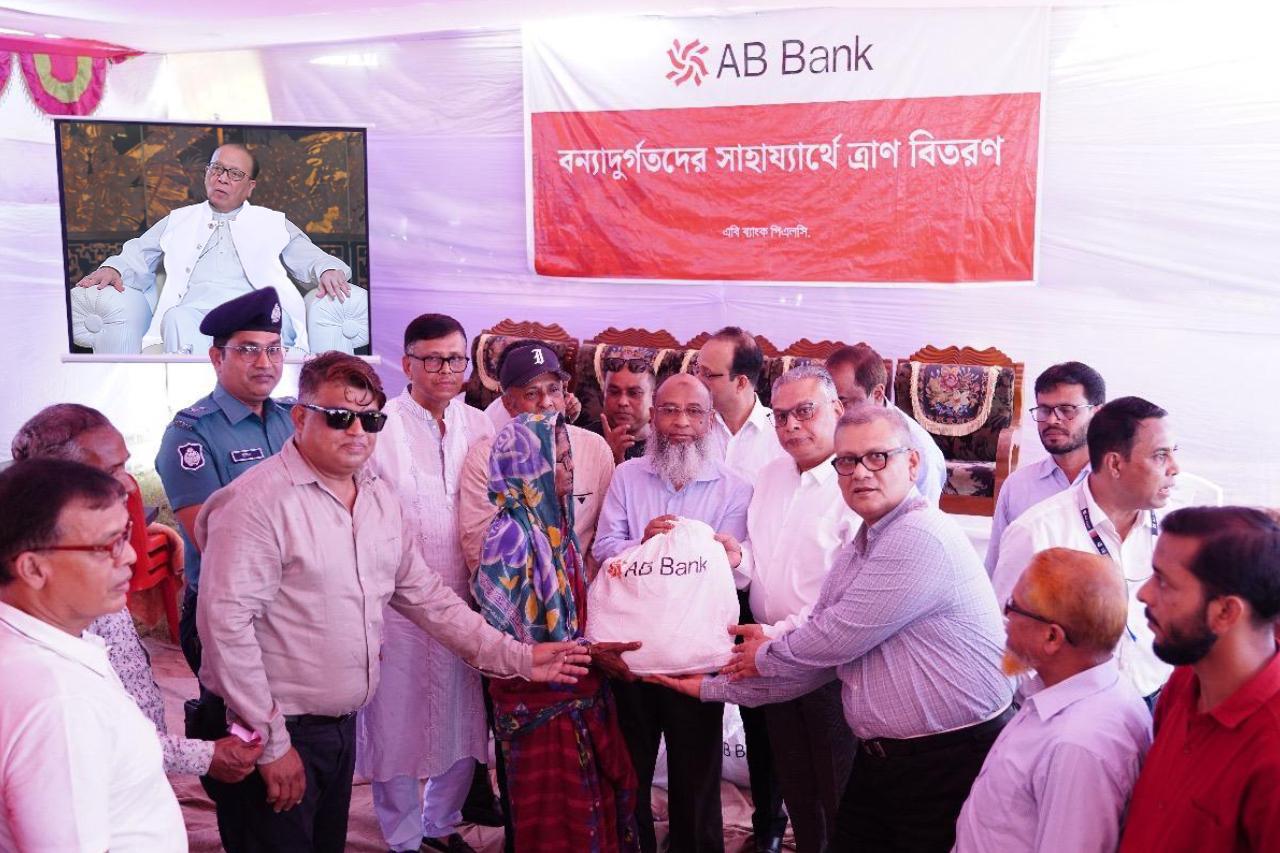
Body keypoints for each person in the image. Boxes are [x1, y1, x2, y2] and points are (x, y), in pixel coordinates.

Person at [194, 351, 592, 853]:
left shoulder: (377, 498)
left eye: (370, 419)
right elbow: (225, 628)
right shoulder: (256, 503)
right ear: (300, 417)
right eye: (338, 417)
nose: (356, 431)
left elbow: (429, 599)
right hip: (271, 729)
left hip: (339, 728)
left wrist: (519, 658)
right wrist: (273, 744)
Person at [652, 403, 1014, 853]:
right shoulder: (866, 541)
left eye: (877, 457)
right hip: (886, 758)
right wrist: (711, 688)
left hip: (948, 758)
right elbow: (820, 657)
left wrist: (762, 653)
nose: (860, 473)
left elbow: (832, 640)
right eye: (847, 461)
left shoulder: (918, 536)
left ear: (912, 463)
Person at [10, 403, 261, 782]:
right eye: (112, 470)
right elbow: (91, 738)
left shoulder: (88, 569)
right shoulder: (54, 601)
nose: (129, 483)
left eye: (125, 464)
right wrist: (204, 757)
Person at [355, 313, 497, 853]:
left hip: (465, 601)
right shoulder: (379, 427)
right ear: (407, 363)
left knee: (463, 717)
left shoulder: (479, 425)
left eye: (455, 359)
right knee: (395, 720)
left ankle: (441, 822)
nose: (445, 370)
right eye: (432, 359)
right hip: (397, 605)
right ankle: (403, 836)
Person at [594, 373, 752, 853]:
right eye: (669, 410)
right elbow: (604, 549)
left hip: (695, 657)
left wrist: (694, 551)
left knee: (696, 774)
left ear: (710, 420)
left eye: (694, 412)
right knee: (630, 770)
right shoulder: (627, 476)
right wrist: (642, 543)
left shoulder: (734, 487)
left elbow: (729, 572)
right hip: (633, 652)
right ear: (653, 415)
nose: (681, 422)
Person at [474, 411, 641, 852]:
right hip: (539, 705)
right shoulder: (510, 537)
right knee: (556, 822)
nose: (570, 468)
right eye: (559, 459)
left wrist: (588, 650)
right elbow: (504, 642)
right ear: (531, 466)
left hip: (576, 690)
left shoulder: (555, 526)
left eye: (569, 458)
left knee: (588, 812)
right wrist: (588, 652)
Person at [0, 458, 187, 852]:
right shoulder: (61, 703)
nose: (131, 556)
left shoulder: (37, 643)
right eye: (108, 545)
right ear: (33, 569)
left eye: (127, 534)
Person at [953, 548, 1151, 852]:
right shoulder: (1061, 694)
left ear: (1052, 637)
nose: (1005, 619)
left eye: (1013, 607)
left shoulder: (1078, 746)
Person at [734, 364, 856, 853]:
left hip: (828, 665)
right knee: (797, 788)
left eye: (805, 412)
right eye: (781, 416)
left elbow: (845, 598)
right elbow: (761, 562)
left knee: (838, 794)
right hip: (773, 656)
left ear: (837, 410)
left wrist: (776, 635)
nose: (791, 426)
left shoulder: (855, 485)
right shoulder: (770, 476)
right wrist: (736, 557)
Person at [76, 143, 357, 353]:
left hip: (257, 311)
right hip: (196, 311)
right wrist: (114, 268)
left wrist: (327, 269)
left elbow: (309, 256)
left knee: (265, 328)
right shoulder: (179, 219)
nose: (222, 178)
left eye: (234, 173)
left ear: (250, 186)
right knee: (175, 318)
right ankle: (189, 403)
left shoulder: (272, 222)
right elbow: (138, 253)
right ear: (206, 173)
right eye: (217, 169)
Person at [993, 396, 1180, 703]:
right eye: (1160, 455)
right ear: (1115, 463)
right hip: (1067, 710)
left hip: (1157, 699)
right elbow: (1004, 636)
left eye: (1174, 452)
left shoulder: (1175, 527)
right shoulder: (1037, 531)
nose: (1175, 468)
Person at [1121, 507, 1280, 851]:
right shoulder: (1185, 681)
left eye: (1164, 581)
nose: (1144, 594)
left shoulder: (1271, 751)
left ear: (1225, 612)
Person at [697, 326, 788, 851]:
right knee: (697, 709)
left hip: (752, 591)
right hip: (693, 591)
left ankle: (769, 824)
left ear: (741, 381)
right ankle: (699, 822)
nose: (698, 381)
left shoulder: (780, 437)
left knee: (760, 713)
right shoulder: (693, 425)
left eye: (708, 374)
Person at [460, 341, 614, 575]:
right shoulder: (483, 460)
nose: (546, 402)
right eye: (531, 393)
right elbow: (479, 551)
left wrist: (582, 589)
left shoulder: (595, 449)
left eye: (554, 390)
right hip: (513, 590)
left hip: (582, 588)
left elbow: (603, 538)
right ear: (509, 404)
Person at [985, 361, 1105, 573]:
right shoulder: (1018, 486)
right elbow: (996, 566)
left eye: (1067, 410)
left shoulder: (1117, 486)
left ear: (1097, 414)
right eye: (1044, 410)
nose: (1052, 420)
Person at [824, 343, 946, 504]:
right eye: (827, 402)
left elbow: (921, 512)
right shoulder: (828, 425)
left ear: (877, 394)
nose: (831, 413)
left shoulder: (920, 451)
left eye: (843, 402)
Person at [600, 360, 656, 463]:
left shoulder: (666, 447)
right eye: (614, 392)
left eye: (634, 393)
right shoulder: (581, 439)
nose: (622, 402)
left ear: (653, 399)